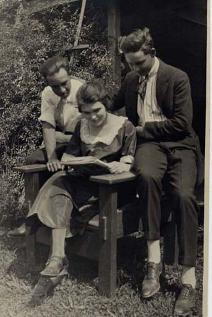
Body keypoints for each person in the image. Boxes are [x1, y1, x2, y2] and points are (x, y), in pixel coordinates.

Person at [112, 27, 202, 316]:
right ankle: (153, 263)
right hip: (150, 146)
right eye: (129, 63)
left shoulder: (177, 78)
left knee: (184, 195)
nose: (134, 69)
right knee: (148, 177)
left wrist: (143, 129)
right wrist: (83, 100)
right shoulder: (130, 78)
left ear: (151, 53)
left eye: (139, 63)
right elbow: (110, 103)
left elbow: (182, 123)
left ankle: (188, 278)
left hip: (179, 145)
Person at [26, 80, 136, 291]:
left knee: (59, 189)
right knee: (58, 183)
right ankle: (57, 258)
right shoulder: (82, 126)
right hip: (82, 181)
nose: (92, 117)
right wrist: (71, 161)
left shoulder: (124, 126)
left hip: (108, 190)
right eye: (86, 113)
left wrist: (118, 165)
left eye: (97, 111)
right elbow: (69, 155)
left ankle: (58, 260)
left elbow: (129, 161)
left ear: (106, 104)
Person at [8, 55, 84, 236]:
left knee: (64, 169)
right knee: (34, 160)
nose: (61, 89)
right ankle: (33, 219)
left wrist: (64, 138)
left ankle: (54, 217)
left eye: (64, 83)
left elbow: (87, 131)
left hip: (80, 145)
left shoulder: (82, 90)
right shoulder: (48, 94)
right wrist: (51, 156)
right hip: (60, 141)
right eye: (55, 86)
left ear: (70, 76)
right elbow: (48, 126)